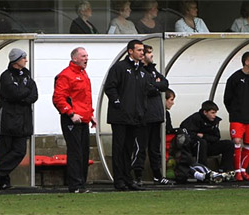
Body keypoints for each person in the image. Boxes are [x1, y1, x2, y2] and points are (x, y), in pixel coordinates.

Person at [104, 40, 150, 191]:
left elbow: (145, 92)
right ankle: (119, 180)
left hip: (135, 117)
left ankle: (128, 178)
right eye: (139, 50)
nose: (142, 53)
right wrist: (118, 103)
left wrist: (142, 110)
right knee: (119, 148)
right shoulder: (119, 68)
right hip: (120, 117)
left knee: (129, 149)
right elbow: (110, 87)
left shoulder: (142, 71)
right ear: (130, 51)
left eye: (143, 50)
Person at [53, 47, 97, 193]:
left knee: (84, 152)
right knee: (75, 151)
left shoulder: (83, 74)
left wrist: (90, 115)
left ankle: (81, 183)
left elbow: (84, 98)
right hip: (72, 120)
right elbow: (58, 98)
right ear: (75, 58)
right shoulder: (66, 75)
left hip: (83, 119)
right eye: (83, 56)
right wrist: (71, 114)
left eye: (87, 56)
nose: (86, 58)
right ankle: (75, 185)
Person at [0, 48, 38, 190]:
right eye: (23, 58)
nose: (26, 60)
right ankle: (4, 182)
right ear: (16, 60)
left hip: (23, 120)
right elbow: (13, 93)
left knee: (20, 151)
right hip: (7, 120)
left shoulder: (27, 76)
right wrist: (24, 91)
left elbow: (34, 95)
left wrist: (23, 93)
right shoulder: (6, 76)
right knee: (5, 151)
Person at [132, 44, 171, 185]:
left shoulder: (153, 69)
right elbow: (144, 87)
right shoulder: (138, 70)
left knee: (155, 148)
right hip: (143, 116)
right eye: (148, 53)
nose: (150, 56)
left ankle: (157, 175)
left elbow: (165, 84)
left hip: (156, 115)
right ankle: (137, 176)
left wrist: (154, 85)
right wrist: (155, 85)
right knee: (140, 147)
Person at [224, 51, 249, 181]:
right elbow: (227, 99)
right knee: (237, 141)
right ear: (246, 62)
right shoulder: (234, 78)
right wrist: (234, 112)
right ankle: (237, 171)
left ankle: (244, 170)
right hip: (237, 117)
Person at [180, 100, 235, 173]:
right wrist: (199, 137)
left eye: (215, 113)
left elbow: (216, 137)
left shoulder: (214, 122)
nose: (214, 115)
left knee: (229, 144)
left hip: (209, 145)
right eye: (212, 113)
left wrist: (204, 136)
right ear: (205, 112)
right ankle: (202, 169)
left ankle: (225, 170)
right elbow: (185, 131)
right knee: (201, 142)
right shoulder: (195, 118)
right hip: (195, 147)